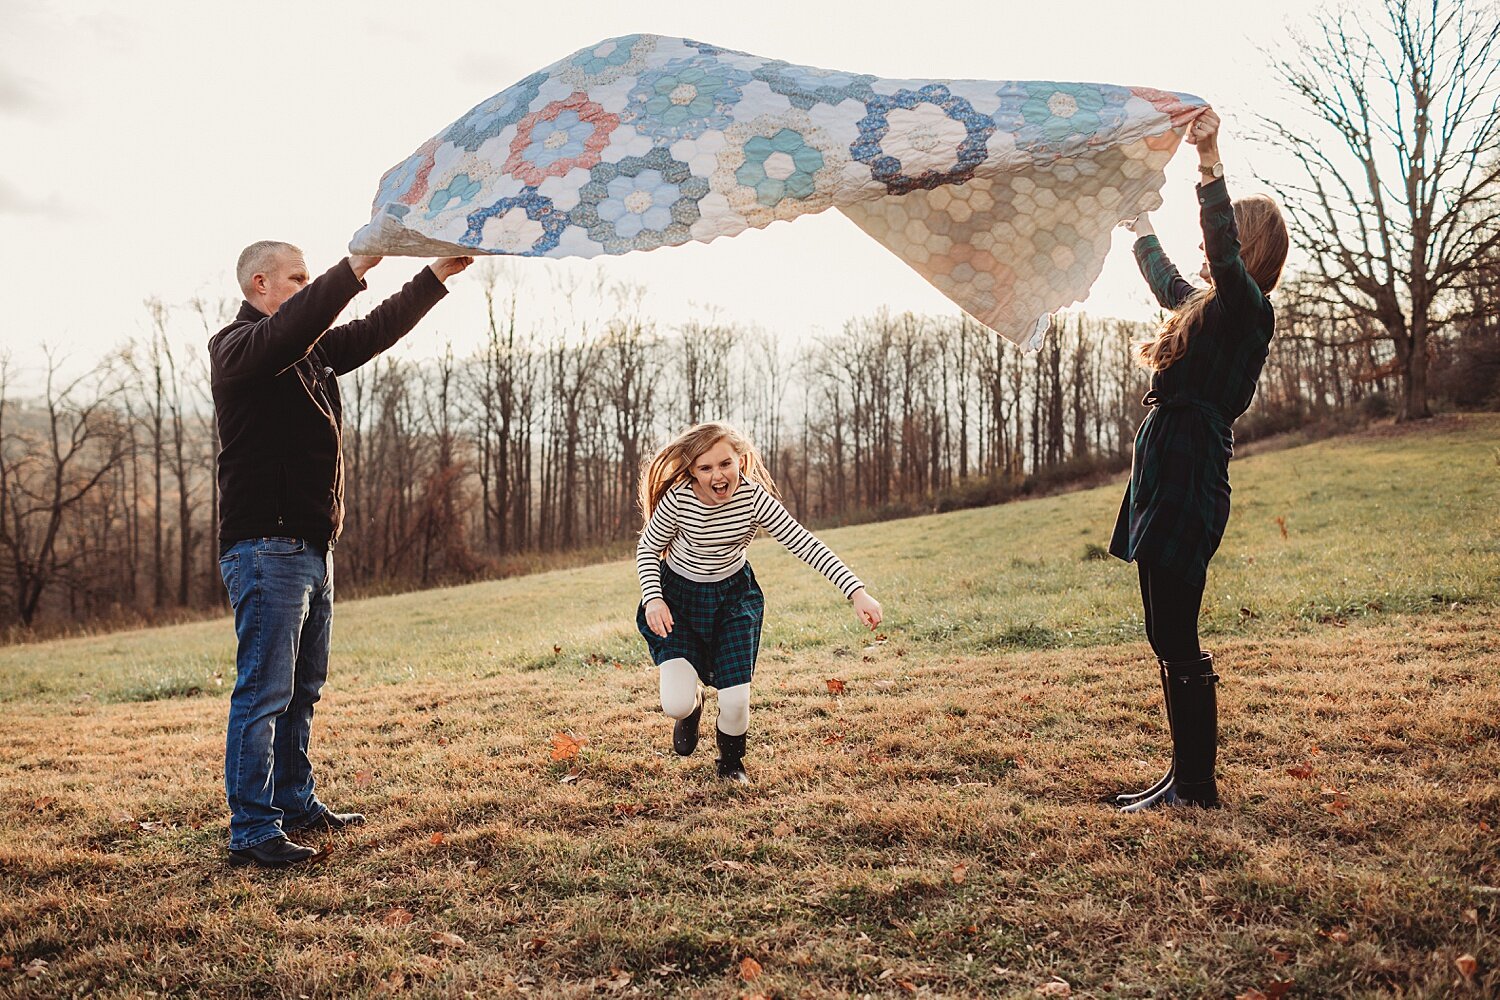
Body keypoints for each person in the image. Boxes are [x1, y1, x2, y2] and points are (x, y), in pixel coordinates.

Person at [211, 242, 472, 867]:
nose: (309, 285)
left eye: (312, 275)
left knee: (303, 689)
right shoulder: (238, 348)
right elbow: (298, 327)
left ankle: (296, 802)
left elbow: (373, 330)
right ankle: (251, 831)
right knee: (264, 692)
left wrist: (433, 276)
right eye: (298, 276)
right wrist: (354, 267)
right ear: (260, 283)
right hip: (266, 548)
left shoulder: (309, 354)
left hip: (311, 547)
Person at [1109, 107, 1289, 811]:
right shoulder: (1209, 313)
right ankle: (1182, 778)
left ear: (1246, 249)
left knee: (1176, 626)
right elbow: (1168, 284)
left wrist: (1208, 163)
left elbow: (1217, 247)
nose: (1214, 251)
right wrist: (1139, 224)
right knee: (1163, 627)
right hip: (1166, 465)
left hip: (1188, 470)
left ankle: (1197, 787)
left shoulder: (1249, 310)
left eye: (1228, 241)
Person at [636, 422, 883, 784]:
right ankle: (692, 707)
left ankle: (730, 764)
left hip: (734, 600)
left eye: (725, 464)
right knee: (675, 702)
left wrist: (856, 591)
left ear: (740, 459)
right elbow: (648, 548)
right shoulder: (679, 500)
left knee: (736, 701)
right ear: (691, 471)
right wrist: (653, 598)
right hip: (679, 601)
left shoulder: (753, 499)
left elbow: (804, 543)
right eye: (705, 468)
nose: (718, 475)